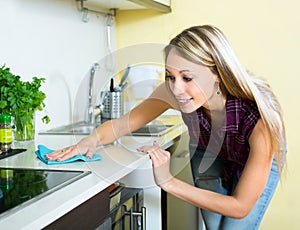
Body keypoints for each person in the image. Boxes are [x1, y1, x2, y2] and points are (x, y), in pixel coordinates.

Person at [46, 25, 286, 229]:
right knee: (214, 226)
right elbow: (122, 125)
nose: (176, 88)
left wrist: (168, 181)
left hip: (253, 157)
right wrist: (88, 141)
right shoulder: (172, 92)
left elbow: (240, 207)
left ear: (216, 73)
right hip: (210, 149)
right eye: (170, 76)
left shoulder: (260, 120)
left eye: (187, 78)